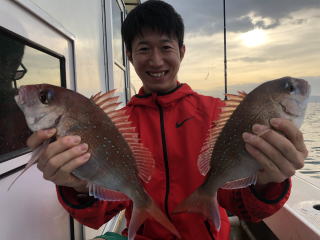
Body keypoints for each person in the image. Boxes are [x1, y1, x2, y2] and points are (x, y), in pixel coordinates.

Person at [27, 1, 308, 239]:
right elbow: (103, 212)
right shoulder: (114, 125)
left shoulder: (219, 114)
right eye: (144, 49)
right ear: (130, 56)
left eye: (166, 47)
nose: (156, 60)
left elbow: (244, 207)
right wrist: (76, 185)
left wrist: (270, 180)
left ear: (181, 51)